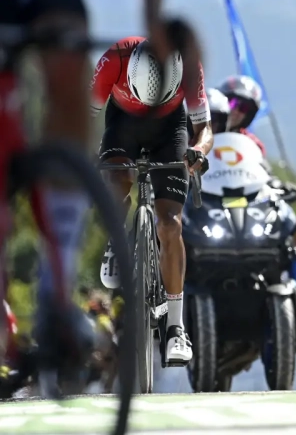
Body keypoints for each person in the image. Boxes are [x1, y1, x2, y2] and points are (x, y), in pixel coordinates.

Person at [0, 0, 185, 394]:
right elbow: (100, 107)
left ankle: (57, 280)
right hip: (124, 123)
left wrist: (153, 12)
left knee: (66, 47)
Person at [92, 36, 213, 365]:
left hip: (170, 130)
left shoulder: (188, 64)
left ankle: (176, 326)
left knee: (170, 225)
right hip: (122, 126)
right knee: (117, 183)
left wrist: (198, 152)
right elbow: (83, 113)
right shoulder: (114, 58)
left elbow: (204, 128)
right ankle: (116, 240)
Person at [213, 75, 267, 156]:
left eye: (244, 108)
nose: (235, 111)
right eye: (232, 103)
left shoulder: (253, 144)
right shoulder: (200, 131)